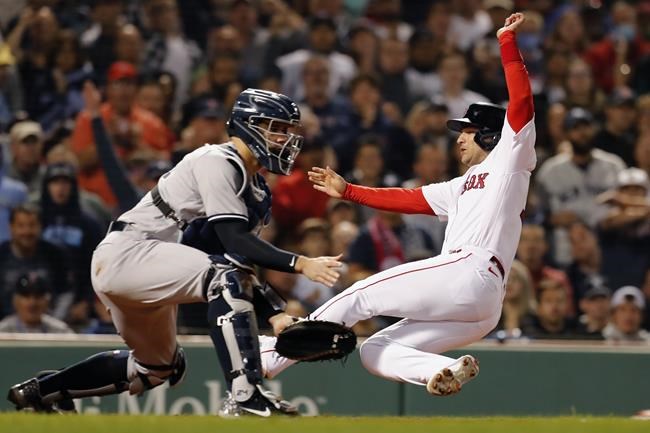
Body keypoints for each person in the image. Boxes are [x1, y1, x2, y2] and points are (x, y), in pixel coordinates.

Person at [7, 88, 342, 417]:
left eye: (287, 131)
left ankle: (43, 391)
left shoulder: (255, 189)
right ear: (248, 125)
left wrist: (275, 314)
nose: (285, 139)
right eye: (276, 129)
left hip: (147, 267)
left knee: (158, 368)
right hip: (129, 252)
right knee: (223, 279)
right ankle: (245, 395)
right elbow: (234, 242)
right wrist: (299, 263)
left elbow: (234, 258)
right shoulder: (218, 160)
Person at [261, 13, 535, 396]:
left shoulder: (510, 159)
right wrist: (350, 191)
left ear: (491, 136)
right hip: (483, 305)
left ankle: (268, 360)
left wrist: (506, 41)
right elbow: (409, 199)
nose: (459, 139)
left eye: (467, 132)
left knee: (359, 295)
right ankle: (441, 370)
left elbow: (521, 101)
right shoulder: (461, 187)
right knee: (374, 350)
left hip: (469, 268)